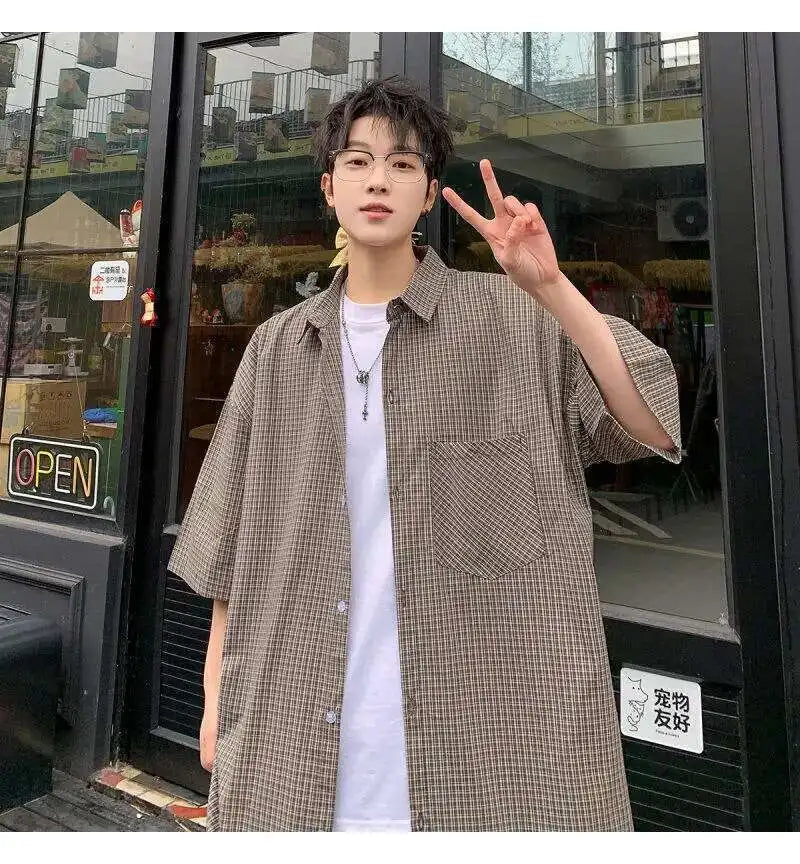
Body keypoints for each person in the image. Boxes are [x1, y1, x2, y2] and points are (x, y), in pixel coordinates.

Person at [168, 75, 681, 832]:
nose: (378, 179)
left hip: (488, 739)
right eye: (357, 161)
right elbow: (232, 542)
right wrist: (217, 694)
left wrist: (553, 289)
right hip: (296, 729)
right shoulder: (279, 348)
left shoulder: (511, 321)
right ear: (329, 189)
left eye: (403, 164)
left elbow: (653, 424)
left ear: (430, 193)